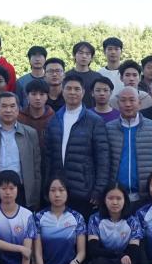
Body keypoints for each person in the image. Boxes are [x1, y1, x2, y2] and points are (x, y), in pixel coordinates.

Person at [44, 75, 111, 218]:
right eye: (68, 88)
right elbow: (48, 157)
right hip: (58, 190)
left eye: (76, 89)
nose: (72, 92)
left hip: (84, 191)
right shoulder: (54, 119)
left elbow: (103, 158)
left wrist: (99, 189)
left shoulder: (94, 121)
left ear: (83, 92)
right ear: (62, 91)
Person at [0, 93, 42, 210]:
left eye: (12, 106)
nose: (8, 110)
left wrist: (35, 195)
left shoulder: (30, 133)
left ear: (18, 109)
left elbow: (36, 169)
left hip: (21, 191)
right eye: (4, 106)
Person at [85, 184, 142, 264]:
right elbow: (94, 250)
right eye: (110, 198)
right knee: (100, 263)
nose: (115, 202)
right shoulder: (95, 219)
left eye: (119, 198)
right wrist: (118, 255)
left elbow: (133, 253)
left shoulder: (133, 221)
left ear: (125, 200)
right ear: (104, 200)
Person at [33, 177, 87, 264]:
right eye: (53, 190)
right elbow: (37, 253)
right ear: (47, 193)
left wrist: (75, 263)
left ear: (68, 193)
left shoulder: (77, 217)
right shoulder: (39, 217)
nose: (57, 194)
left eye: (61, 190)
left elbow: (82, 252)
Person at [105, 83, 152, 206]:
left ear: (139, 103)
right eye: (123, 100)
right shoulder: (108, 129)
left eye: (132, 100)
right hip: (116, 197)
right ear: (118, 103)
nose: (128, 104)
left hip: (145, 196)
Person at [17, 81, 55, 153]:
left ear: (47, 96)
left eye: (42, 94)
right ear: (27, 96)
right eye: (33, 94)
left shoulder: (54, 118)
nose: (38, 98)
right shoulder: (19, 118)